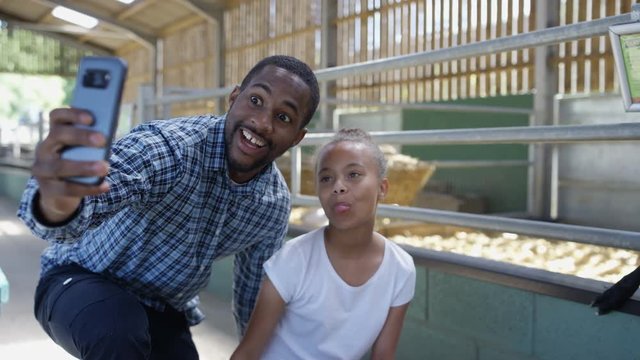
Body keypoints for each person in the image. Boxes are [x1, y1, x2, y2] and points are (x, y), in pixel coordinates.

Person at [16, 55, 320, 360]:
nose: (263, 122)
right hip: (78, 279)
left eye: (283, 118)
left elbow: (251, 298)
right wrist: (59, 201)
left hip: (161, 309)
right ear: (234, 97)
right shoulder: (172, 149)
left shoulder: (272, 204)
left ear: (297, 137)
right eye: (256, 100)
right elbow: (88, 201)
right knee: (119, 331)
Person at [231, 128, 417, 360]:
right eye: (327, 178)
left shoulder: (401, 268)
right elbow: (246, 354)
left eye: (354, 174)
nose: (338, 186)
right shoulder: (293, 259)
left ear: (382, 188)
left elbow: (383, 355)